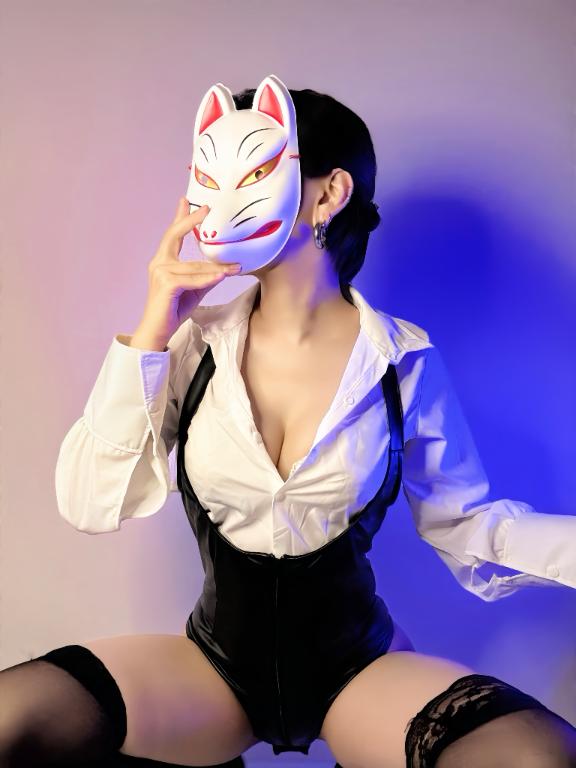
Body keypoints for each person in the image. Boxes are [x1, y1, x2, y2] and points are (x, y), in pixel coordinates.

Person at [1, 78, 576, 768]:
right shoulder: (190, 346)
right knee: (12, 720)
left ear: (328, 195)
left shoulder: (403, 361)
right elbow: (89, 503)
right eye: (206, 178)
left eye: (251, 176)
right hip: (209, 669)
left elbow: (468, 527)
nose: (216, 203)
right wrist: (154, 326)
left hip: (359, 671)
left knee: (536, 756)